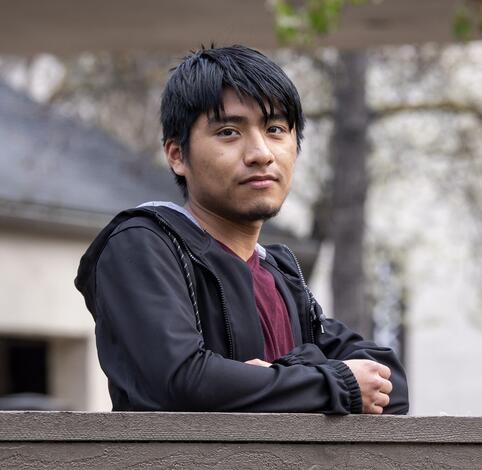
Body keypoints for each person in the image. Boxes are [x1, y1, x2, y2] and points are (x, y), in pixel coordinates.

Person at [74, 45, 408, 414]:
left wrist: (289, 373)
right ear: (177, 155)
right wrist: (335, 382)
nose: (261, 153)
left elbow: (390, 383)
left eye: (275, 129)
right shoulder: (142, 245)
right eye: (229, 132)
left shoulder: (279, 274)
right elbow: (182, 383)